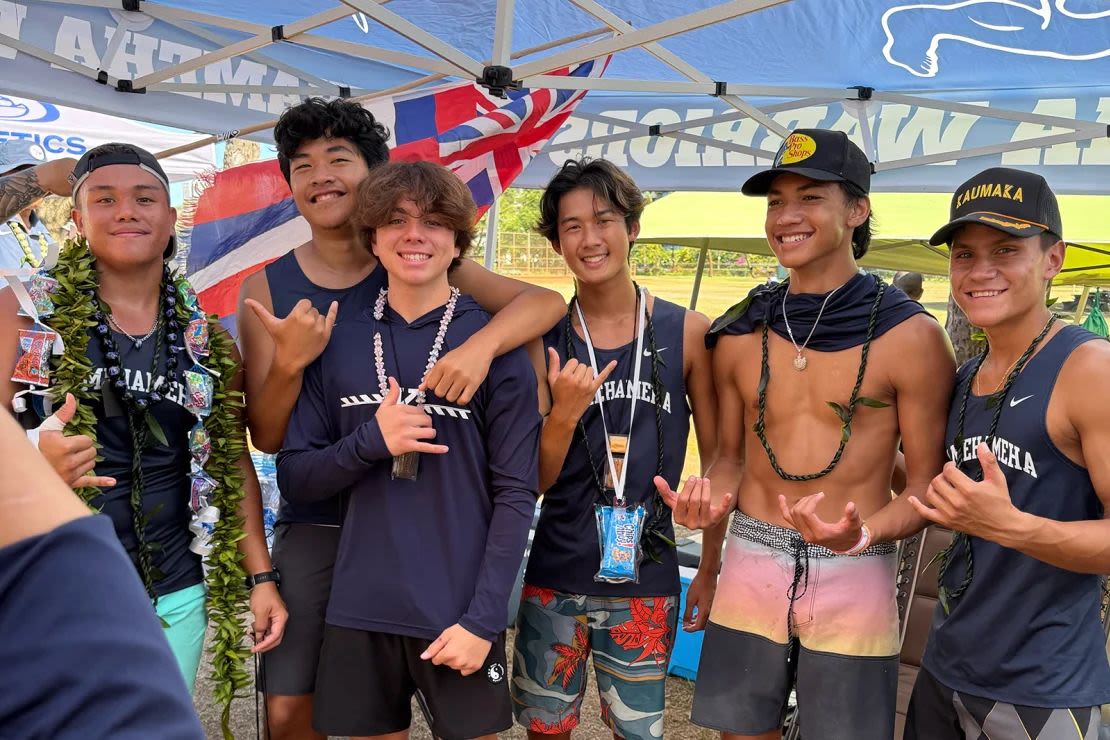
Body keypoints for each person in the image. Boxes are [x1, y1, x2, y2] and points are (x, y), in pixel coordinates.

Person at [236, 97, 564, 739]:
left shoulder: (437, 258)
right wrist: (293, 367)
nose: (321, 174)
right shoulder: (271, 290)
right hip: (330, 527)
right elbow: (270, 440)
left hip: (437, 539)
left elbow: (545, 302)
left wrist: (482, 346)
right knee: (292, 705)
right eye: (303, 164)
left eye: (340, 158)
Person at [658, 128, 955, 739]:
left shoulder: (914, 338)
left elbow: (927, 486)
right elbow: (728, 462)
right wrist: (709, 550)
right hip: (751, 558)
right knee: (741, 731)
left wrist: (867, 530)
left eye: (810, 198)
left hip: (858, 567)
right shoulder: (740, 331)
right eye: (775, 202)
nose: (787, 217)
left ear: (857, 209)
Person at [0, 143, 285, 692]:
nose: (126, 210)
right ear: (79, 221)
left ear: (171, 218)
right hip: (53, 582)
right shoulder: (24, 311)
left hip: (176, 592)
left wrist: (262, 576)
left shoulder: (207, 337)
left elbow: (230, 463)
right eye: (104, 199)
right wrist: (31, 461)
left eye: (144, 198)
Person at [510, 158, 720, 740]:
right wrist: (565, 415)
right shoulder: (545, 336)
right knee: (545, 729)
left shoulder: (687, 332)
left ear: (631, 226)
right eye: (571, 226)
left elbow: (723, 458)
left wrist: (708, 566)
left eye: (604, 219)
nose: (590, 238)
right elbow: (537, 478)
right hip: (555, 568)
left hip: (647, 577)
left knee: (640, 732)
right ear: (555, 241)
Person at [904, 167, 1110, 739]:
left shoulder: (1090, 369)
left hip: (1040, 688)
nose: (980, 271)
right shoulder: (967, 376)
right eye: (964, 254)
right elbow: (954, 489)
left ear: (1053, 259)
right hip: (945, 667)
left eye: (1006, 250)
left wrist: (1012, 526)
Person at [0, 406, 204, 738]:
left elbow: (232, 442)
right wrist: (30, 452)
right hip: (67, 584)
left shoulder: (205, 353)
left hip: (178, 584)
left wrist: (260, 579)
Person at [0, 145, 75, 270]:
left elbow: (50, 277)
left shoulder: (49, 231)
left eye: (39, 173)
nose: (36, 184)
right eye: (24, 174)